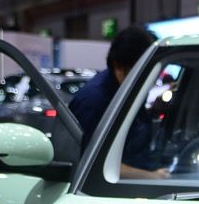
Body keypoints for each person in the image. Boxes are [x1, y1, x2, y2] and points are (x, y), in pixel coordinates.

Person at [69, 25, 167, 180]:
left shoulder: (128, 90)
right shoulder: (93, 102)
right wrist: (152, 176)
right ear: (119, 67)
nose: (150, 80)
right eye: (142, 70)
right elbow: (93, 164)